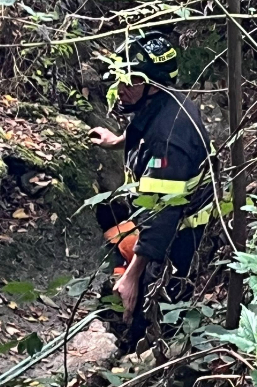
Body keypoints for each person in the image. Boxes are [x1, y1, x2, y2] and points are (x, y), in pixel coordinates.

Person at [88, 31, 218, 352]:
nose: (120, 88)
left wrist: (132, 278)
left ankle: (145, 351)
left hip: (180, 235)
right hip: (163, 216)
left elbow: (163, 217)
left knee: (153, 302)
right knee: (116, 238)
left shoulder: (168, 142)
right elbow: (143, 128)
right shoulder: (163, 105)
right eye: (119, 79)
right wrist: (116, 141)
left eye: (129, 82)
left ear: (153, 85)